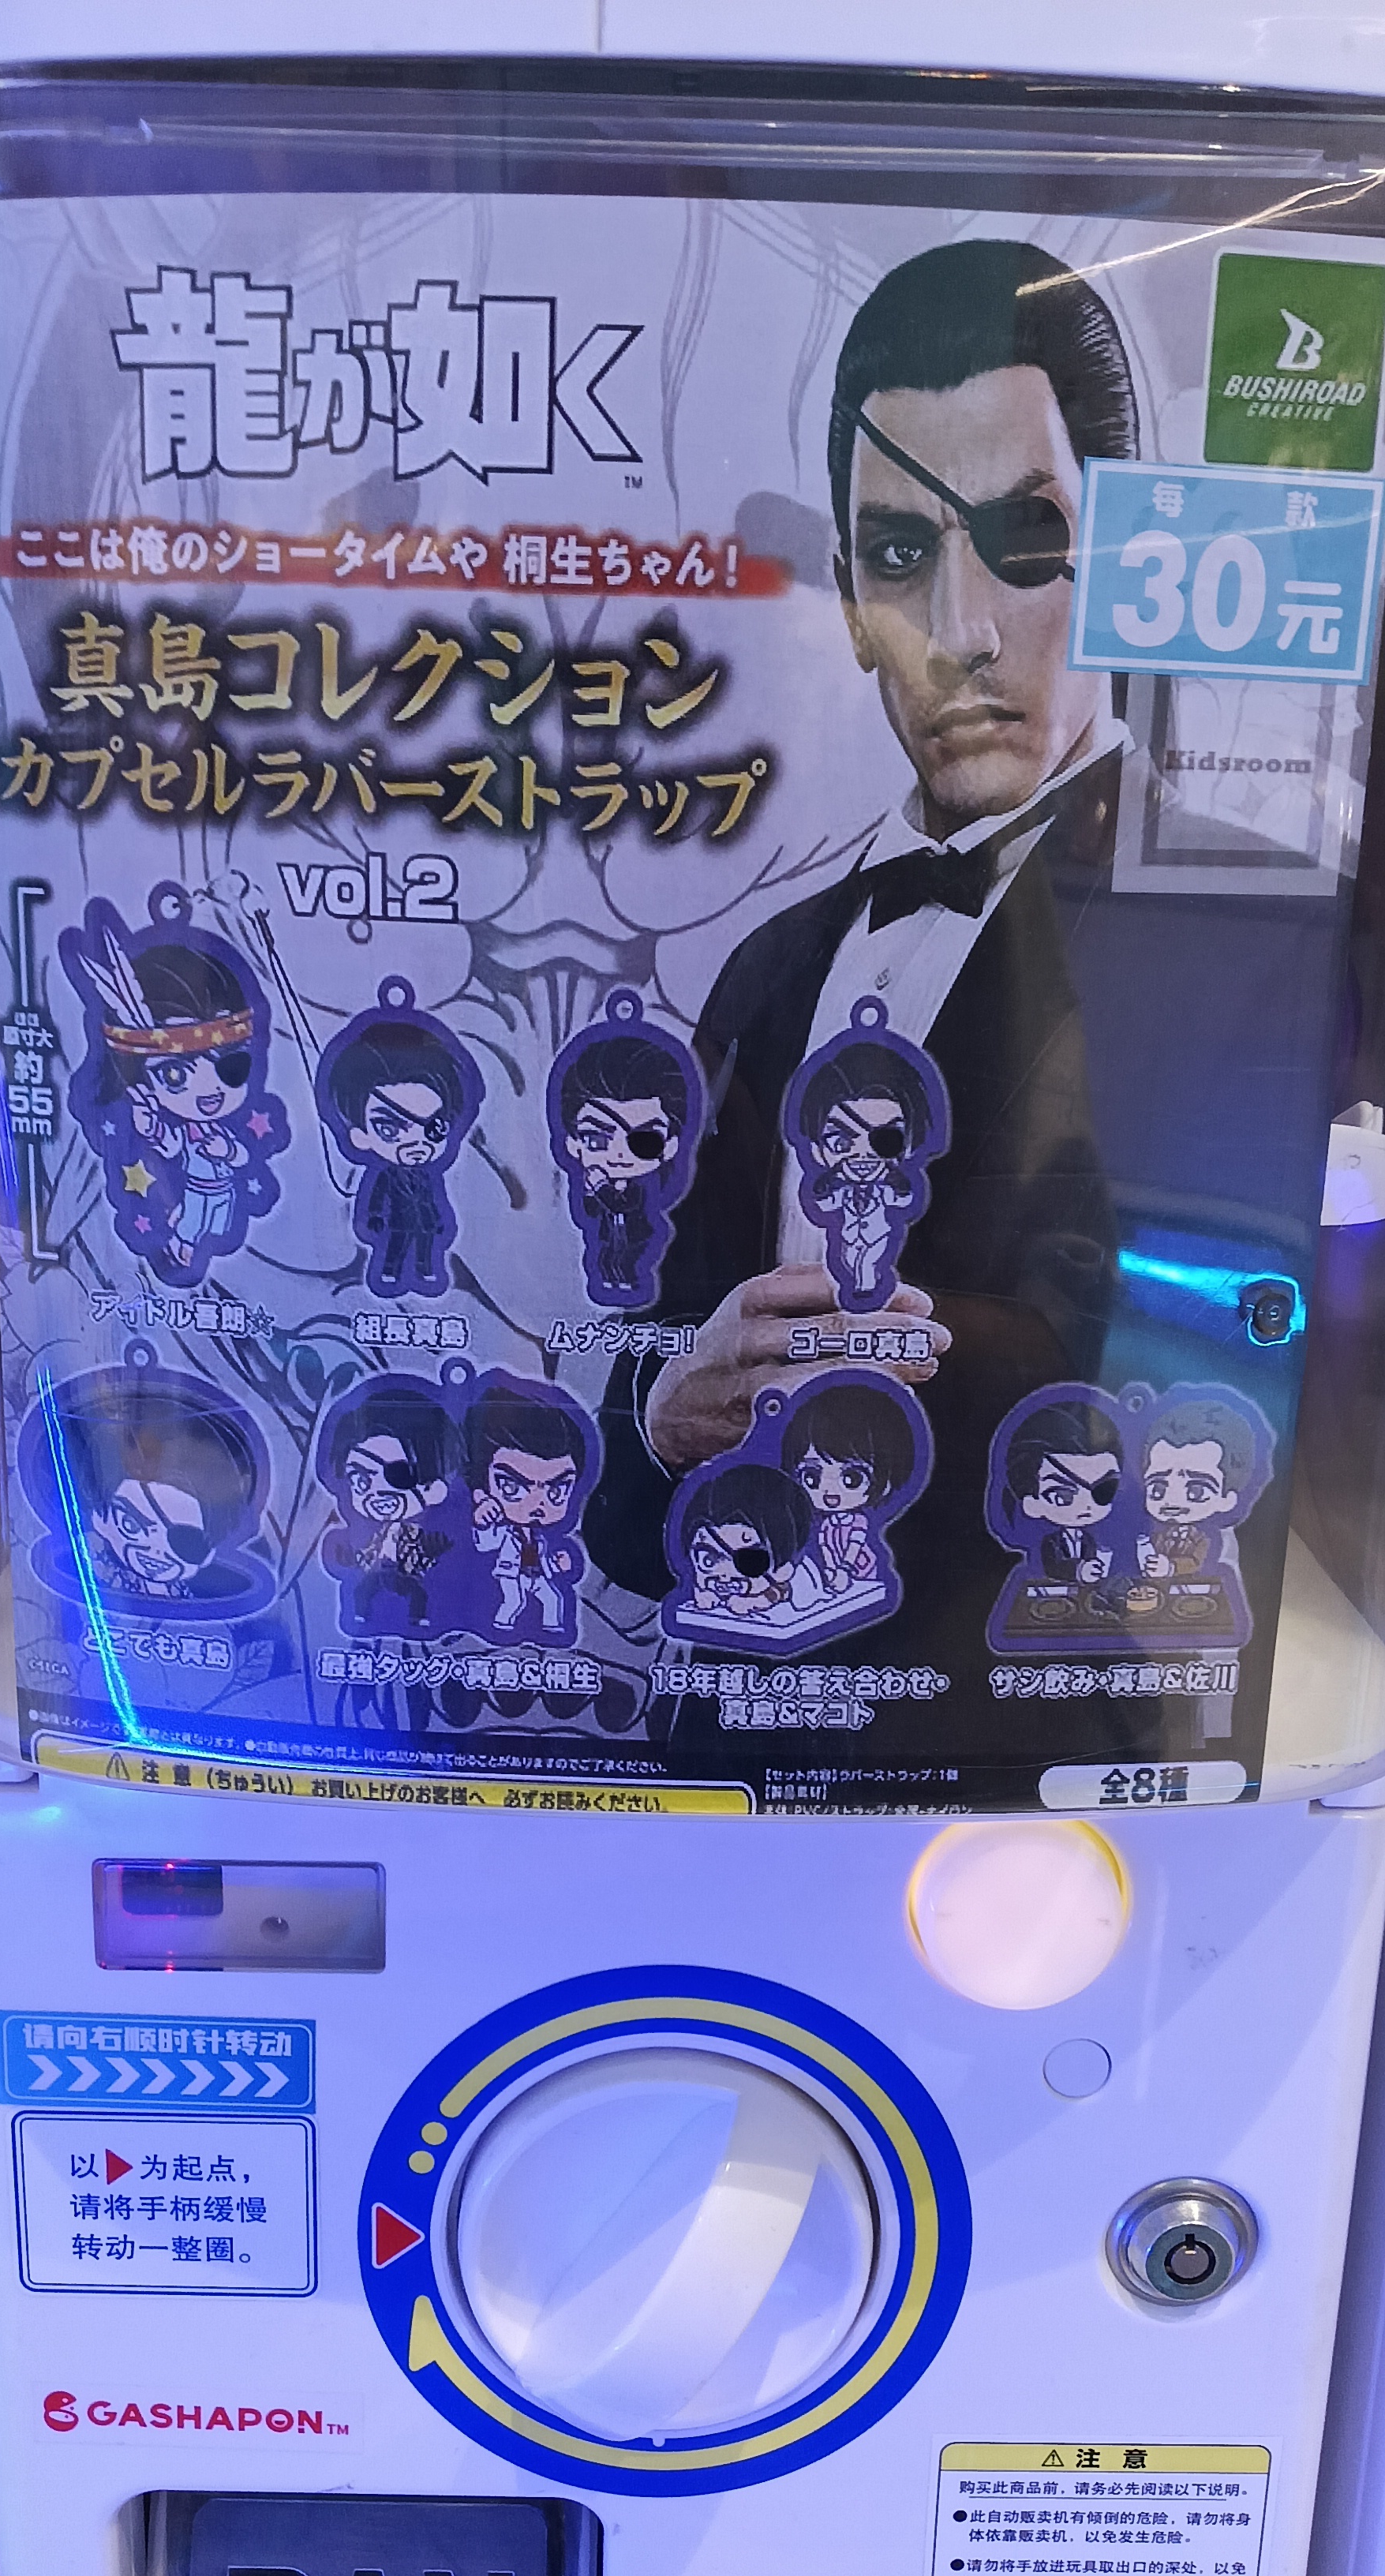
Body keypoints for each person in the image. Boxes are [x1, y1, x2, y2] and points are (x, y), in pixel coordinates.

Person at [587, 236, 1145, 1670]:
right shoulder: (772, 967)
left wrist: (911, 1345)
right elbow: (625, 1510)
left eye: (1025, 538)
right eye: (902, 555)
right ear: (845, 601)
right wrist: (664, 1418)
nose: (961, 632)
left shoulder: (1229, 943)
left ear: (1123, 554)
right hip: (737, 1724)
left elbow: (1190, 1410)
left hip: (1035, 1722)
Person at [64, 893, 287, 1283]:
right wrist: (150, 1128)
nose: (208, 1089)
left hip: (224, 1195)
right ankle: (181, 1247)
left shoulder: (220, 1131)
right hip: (196, 1193)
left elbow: (239, 1157)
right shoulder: (187, 1130)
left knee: (217, 1227)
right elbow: (170, 1149)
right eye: (175, 1076)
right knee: (192, 1227)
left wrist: (227, 1150)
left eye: (230, 1065)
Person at [40, 1372, 268, 1605]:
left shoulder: (232, 1579)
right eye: (131, 1525)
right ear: (101, 1520)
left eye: (185, 1543)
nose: (156, 1551)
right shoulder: (89, 1561)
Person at [317, 1006, 480, 1298]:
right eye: (390, 1129)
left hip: (425, 1223)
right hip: (396, 1223)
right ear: (360, 1136)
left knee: (424, 1249)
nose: (415, 1142)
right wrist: (373, 1216)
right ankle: (390, 1272)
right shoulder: (387, 1174)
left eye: (433, 1127)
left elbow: (432, 1197)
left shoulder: (427, 1176)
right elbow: (377, 1195)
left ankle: (425, 1270)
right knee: (395, 1248)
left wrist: (437, 1220)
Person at [786, 1032, 941, 1306]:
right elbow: (825, 1203)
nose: (862, 1155)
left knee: (869, 1261)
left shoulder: (889, 1189)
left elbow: (903, 1200)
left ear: (912, 1144)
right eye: (840, 1141)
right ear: (815, 1148)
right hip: (848, 1234)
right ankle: (859, 1283)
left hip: (879, 1232)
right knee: (849, 1259)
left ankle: (866, 1282)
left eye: (886, 1140)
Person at [552, 1021, 697, 1301]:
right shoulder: (591, 1187)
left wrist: (601, 1188)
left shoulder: (642, 1189)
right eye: (596, 1139)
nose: (619, 1155)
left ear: (670, 1146)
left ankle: (626, 1283)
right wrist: (592, 1194)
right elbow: (590, 1212)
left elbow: (625, 1204)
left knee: (628, 1262)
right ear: (572, 1143)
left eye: (644, 1141)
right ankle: (612, 1282)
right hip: (609, 1239)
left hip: (636, 1239)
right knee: (608, 1260)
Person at [319, 1380, 459, 1636]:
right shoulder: (376, 1533)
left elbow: (422, 1556)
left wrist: (429, 1557)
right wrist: (355, 1560)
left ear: (434, 1487)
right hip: (380, 1571)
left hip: (403, 1573)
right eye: (359, 1480)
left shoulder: (415, 1532)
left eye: (398, 1476)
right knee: (365, 1590)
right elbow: (370, 1551)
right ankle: (361, 1614)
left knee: (417, 1593)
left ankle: (418, 1619)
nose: (378, 1493)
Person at [465, 1382, 593, 1639]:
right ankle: (502, 1627)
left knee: (553, 1598)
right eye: (512, 1487)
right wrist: (482, 1522)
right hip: (511, 1574)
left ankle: (553, 1631)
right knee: (513, 1602)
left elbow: (544, 1556)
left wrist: (560, 1565)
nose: (537, 1505)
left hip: (535, 1574)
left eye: (557, 1491)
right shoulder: (504, 1530)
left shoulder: (539, 1537)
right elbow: (485, 1544)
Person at [779, 1380, 920, 1598]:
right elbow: (825, 1549)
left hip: (863, 1573)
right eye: (812, 1477)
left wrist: (845, 1570)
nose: (829, 1492)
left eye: (851, 1479)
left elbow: (854, 1548)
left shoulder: (858, 1522)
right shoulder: (825, 1525)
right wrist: (828, 1571)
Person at [994, 1395, 1126, 1585]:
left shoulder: (1089, 1539)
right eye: (1061, 1496)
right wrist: (1079, 1571)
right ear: (1031, 1503)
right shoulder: (1051, 1542)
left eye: (1103, 1490)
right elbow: (1052, 1566)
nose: (1086, 1505)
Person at [671, 1462, 818, 1627]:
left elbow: (785, 1593)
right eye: (708, 1560)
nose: (725, 1576)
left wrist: (756, 1601)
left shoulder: (801, 1580)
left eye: (750, 1561)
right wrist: (704, 1594)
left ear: (782, 1570)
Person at [1136, 1395, 1259, 1581]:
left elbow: (1203, 1564)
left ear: (1227, 1499)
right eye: (1158, 1489)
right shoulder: (1161, 1534)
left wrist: (1171, 1568)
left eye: (1196, 1491)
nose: (1172, 1501)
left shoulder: (1214, 1538)